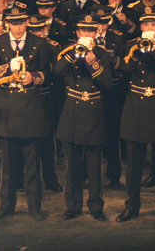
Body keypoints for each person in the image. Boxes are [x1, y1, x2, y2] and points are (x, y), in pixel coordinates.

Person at [116, 7, 155, 224]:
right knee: (134, 163)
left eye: (154, 25)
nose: (150, 29)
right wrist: (135, 52)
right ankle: (132, 206)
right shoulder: (130, 45)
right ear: (141, 27)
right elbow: (123, 70)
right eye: (146, 25)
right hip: (136, 107)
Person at [0, 7, 52, 221]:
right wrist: (8, 68)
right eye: (12, 23)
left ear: (26, 22)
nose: (16, 27)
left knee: (33, 163)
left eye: (20, 22)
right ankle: (6, 204)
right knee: (8, 164)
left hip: (31, 107)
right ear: (7, 24)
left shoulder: (39, 43)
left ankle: (35, 206)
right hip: (7, 107)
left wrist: (34, 77)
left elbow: (47, 72)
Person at [53, 14, 112, 221]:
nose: (87, 34)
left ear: (96, 33)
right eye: (83, 31)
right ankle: (73, 206)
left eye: (91, 31)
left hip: (94, 110)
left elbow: (106, 83)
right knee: (73, 165)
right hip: (73, 110)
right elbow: (57, 71)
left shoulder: (103, 54)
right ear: (77, 33)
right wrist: (73, 54)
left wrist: (93, 62)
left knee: (95, 164)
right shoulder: (68, 52)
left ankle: (96, 206)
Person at [89, 5, 127, 190]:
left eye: (104, 22)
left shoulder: (117, 38)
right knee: (90, 133)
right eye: (98, 22)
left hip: (113, 90)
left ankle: (113, 175)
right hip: (92, 90)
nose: (101, 26)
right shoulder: (86, 39)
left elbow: (124, 64)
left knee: (113, 134)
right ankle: (87, 176)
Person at [27, 14, 64, 193]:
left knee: (49, 140)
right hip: (27, 98)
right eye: (32, 30)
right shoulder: (24, 46)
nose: (36, 33)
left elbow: (58, 74)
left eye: (39, 29)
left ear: (45, 29)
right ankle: (23, 179)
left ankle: (50, 178)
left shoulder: (53, 47)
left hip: (47, 97)